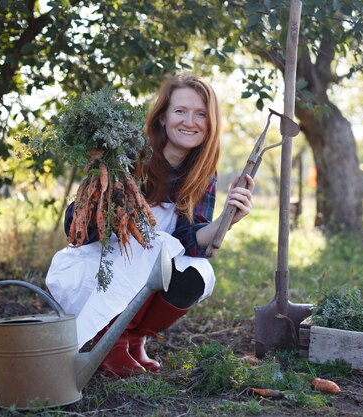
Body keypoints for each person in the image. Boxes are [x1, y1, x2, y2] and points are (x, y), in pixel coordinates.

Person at [46, 74, 254, 377]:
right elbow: (74, 226)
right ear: (162, 118)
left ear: (210, 124)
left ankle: (133, 338)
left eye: (200, 114)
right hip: (99, 266)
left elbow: (189, 240)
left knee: (197, 273)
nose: (190, 121)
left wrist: (226, 220)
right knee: (154, 246)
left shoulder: (202, 174)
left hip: (148, 266)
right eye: (180, 111)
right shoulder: (130, 157)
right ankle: (110, 339)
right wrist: (114, 207)